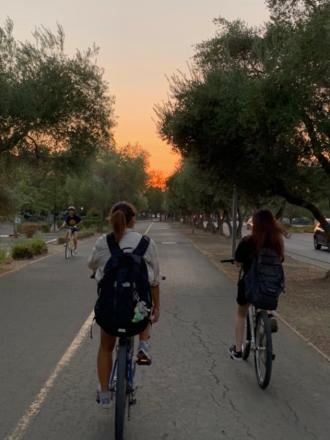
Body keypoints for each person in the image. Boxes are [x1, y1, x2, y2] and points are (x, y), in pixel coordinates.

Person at [88, 201, 160, 408]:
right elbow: (153, 280)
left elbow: (92, 264)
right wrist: (158, 307)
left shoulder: (104, 242)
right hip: (137, 310)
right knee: (145, 306)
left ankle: (104, 394)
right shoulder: (146, 243)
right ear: (133, 220)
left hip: (111, 309)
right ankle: (144, 346)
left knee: (105, 346)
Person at [229, 209, 284, 360]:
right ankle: (267, 333)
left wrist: (238, 263)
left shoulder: (248, 241)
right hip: (270, 286)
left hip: (250, 285)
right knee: (265, 306)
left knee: (241, 314)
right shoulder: (276, 242)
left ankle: (238, 350)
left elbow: (238, 260)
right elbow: (280, 260)